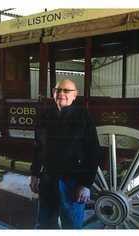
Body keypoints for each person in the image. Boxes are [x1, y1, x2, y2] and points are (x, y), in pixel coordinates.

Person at [30, 79, 101, 229]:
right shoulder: (45, 116)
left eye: (66, 91)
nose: (61, 93)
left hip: (72, 183)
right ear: (53, 93)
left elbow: (93, 151)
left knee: (72, 226)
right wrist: (35, 174)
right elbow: (38, 147)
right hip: (48, 180)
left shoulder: (83, 116)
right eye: (58, 90)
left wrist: (86, 184)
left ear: (75, 95)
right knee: (45, 224)